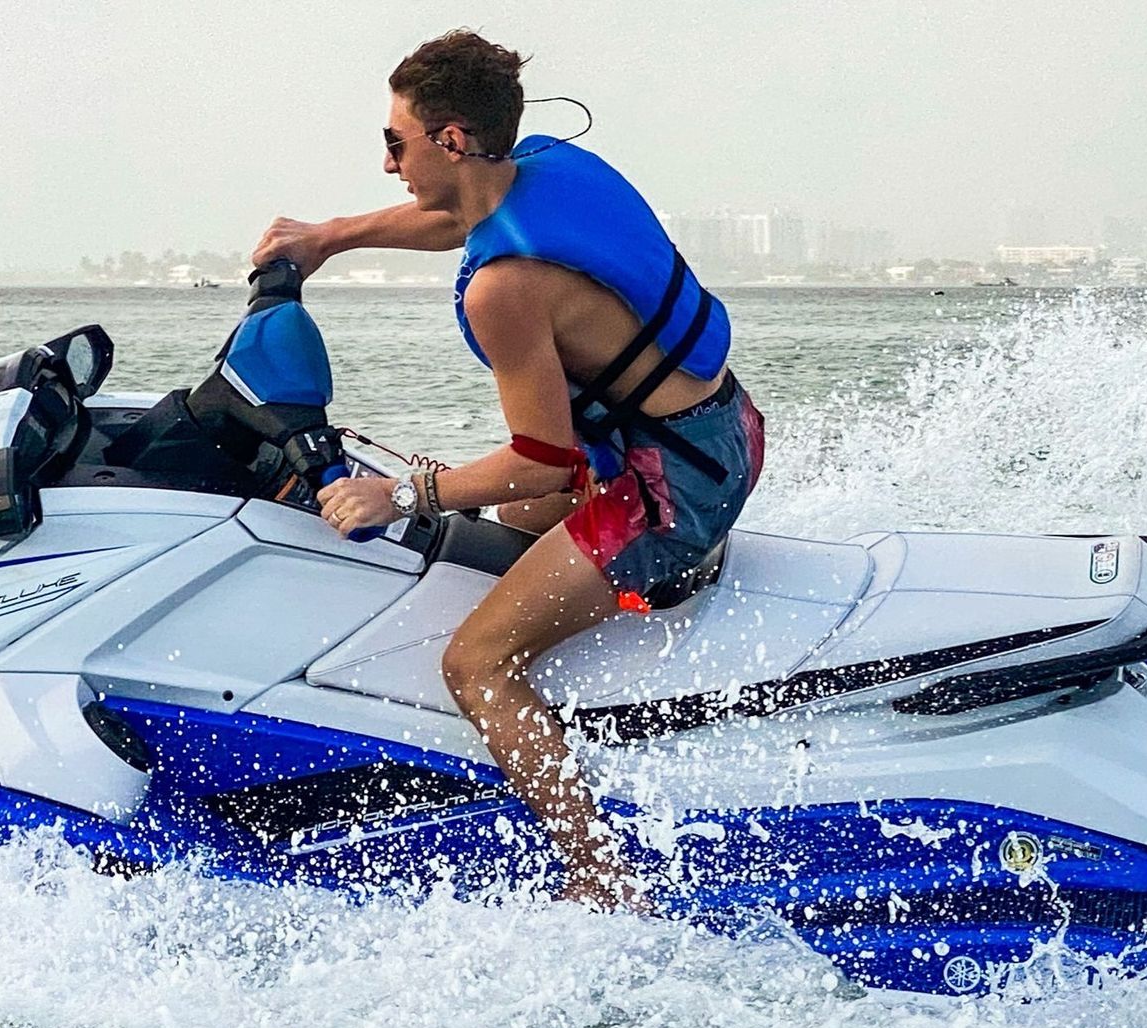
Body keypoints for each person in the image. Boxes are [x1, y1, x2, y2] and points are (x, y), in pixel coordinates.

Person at [253, 30, 764, 911]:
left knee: (476, 662)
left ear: (451, 140)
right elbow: (457, 215)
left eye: (395, 142)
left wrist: (404, 490)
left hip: (670, 489)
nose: (386, 165)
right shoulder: (542, 165)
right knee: (504, 532)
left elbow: (542, 460)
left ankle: (601, 874)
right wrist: (329, 238)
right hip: (722, 430)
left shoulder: (507, 288)